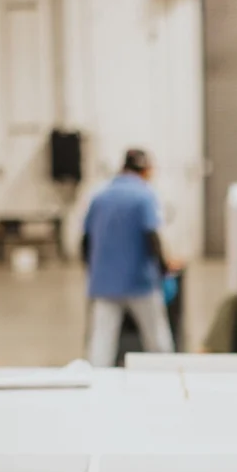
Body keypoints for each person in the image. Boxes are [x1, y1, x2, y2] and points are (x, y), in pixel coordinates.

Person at [82, 148, 175, 367]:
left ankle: (96, 384)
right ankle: (167, 378)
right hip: (139, 282)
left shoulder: (100, 196)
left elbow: (85, 240)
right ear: (145, 170)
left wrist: (92, 270)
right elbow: (152, 235)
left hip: (104, 282)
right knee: (157, 339)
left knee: (101, 343)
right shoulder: (145, 195)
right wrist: (164, 268)